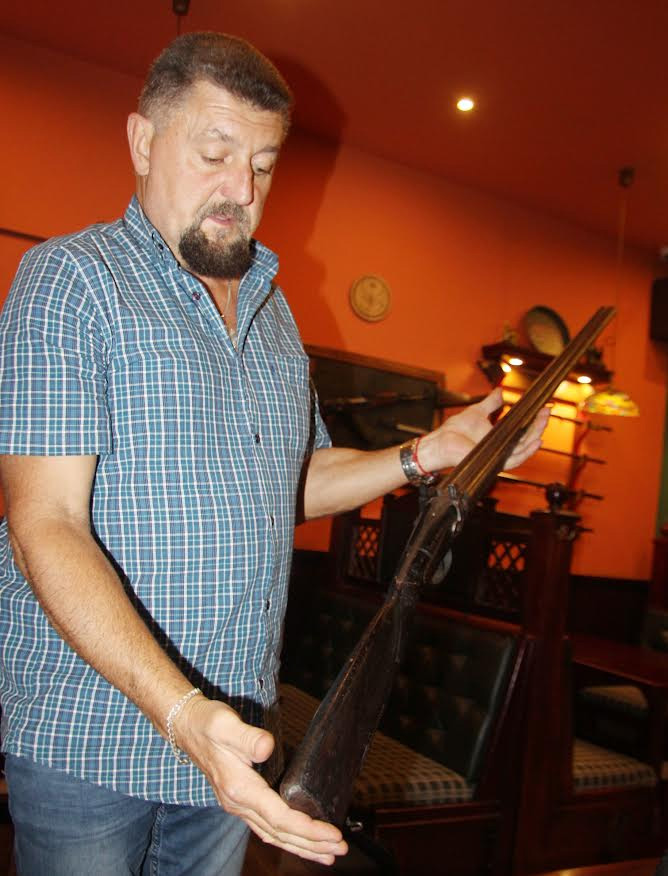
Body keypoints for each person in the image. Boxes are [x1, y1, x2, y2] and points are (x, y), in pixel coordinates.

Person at [0, 31, 547, 876]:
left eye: (262, 164)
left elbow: (293, 483)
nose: (242, 190)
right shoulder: (70, 280)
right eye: (215, 154)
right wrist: (183, 715)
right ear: (143, 142)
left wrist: (430, 452)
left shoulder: (276, 315)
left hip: (236, 734)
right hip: (94, 739)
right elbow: (45, 521)